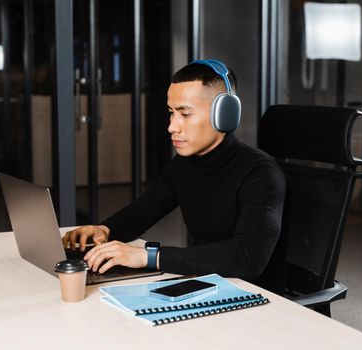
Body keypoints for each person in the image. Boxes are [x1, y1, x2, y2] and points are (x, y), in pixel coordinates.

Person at [62, 60, 286, 282]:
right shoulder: (183, 165)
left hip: (255, 299)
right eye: (171, 112)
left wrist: (150, 257)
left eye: (185, 114)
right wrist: (104, 230)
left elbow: (248, 257)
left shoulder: (260, 173)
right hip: (207, 284)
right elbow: (138, 216)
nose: (172, 126)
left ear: (223, 114)